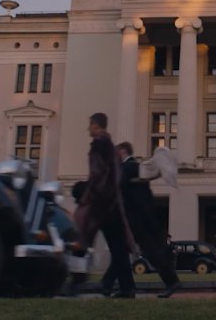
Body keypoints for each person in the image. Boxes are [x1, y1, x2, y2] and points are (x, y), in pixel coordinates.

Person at [102, 141, 182, 299]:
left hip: (138, 220)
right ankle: (111, 285)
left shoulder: (129, 167)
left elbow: (116, 185)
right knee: (121, 252)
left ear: (123, 151)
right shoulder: (134, 168)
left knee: (150, 252)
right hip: (139, 218)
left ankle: (171, 281)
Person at [73, 113, 136, 298]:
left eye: (90, 125)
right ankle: (127, 288)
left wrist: (88, 196)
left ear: (96, 125)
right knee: (118, 248)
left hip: (101, 203)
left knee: (83, 240)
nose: (88, 129)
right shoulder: (111, 146)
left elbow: (98, 175)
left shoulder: (99, 145)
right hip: (112, 203)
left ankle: (76, 283)